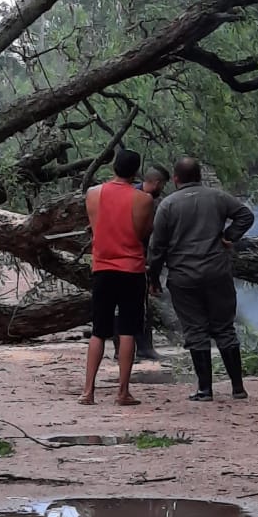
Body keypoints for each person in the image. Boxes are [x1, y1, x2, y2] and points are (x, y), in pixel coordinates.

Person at [147, 156, 254, 401]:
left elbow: (157, 247)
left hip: (184, 277)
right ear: (200, 176)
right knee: (225, 328)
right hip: (218, 272)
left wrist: (153, 278)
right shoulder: (218, 197)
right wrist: (229, 236)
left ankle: (205, 389)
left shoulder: (168, 205)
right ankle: (238, 387)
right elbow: (246, 215)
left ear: (175, 179)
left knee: (196, 330)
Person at [81, 149, 154, 406]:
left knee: (98, 331)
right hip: (131, 269)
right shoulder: (143, 199)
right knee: (127, 331)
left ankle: (88, 391)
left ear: (113, 167)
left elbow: (95, 224)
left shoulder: (93, 194)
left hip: (102, 267)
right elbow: (143, 232)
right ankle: (122, 392)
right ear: (136, 172)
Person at [113, 163, 170, 362]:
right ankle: (121, 350)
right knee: (122, 305)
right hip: (124, 258)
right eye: (162, 184)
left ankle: (145, 348)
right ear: (156, 182)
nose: (162, 188)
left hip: (143, 258)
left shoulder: (155, 201)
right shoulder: (132, 197)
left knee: (143, 306)